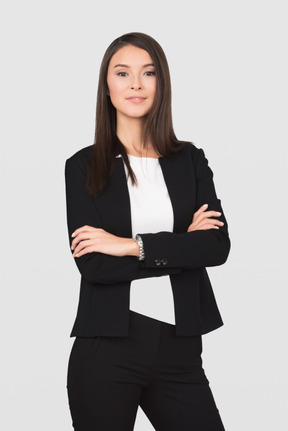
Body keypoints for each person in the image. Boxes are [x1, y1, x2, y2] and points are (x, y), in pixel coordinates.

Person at [65, 32, 231, 431]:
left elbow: (215, 246)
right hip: (106, 349)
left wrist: (128, 246)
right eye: (122, 73)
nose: (136, 84)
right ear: (107, 86)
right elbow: (94, 267)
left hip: (181, 348)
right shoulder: (83, 166)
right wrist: (181, 250)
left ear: (162, 83)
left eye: (148, 73)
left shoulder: (189, 160)